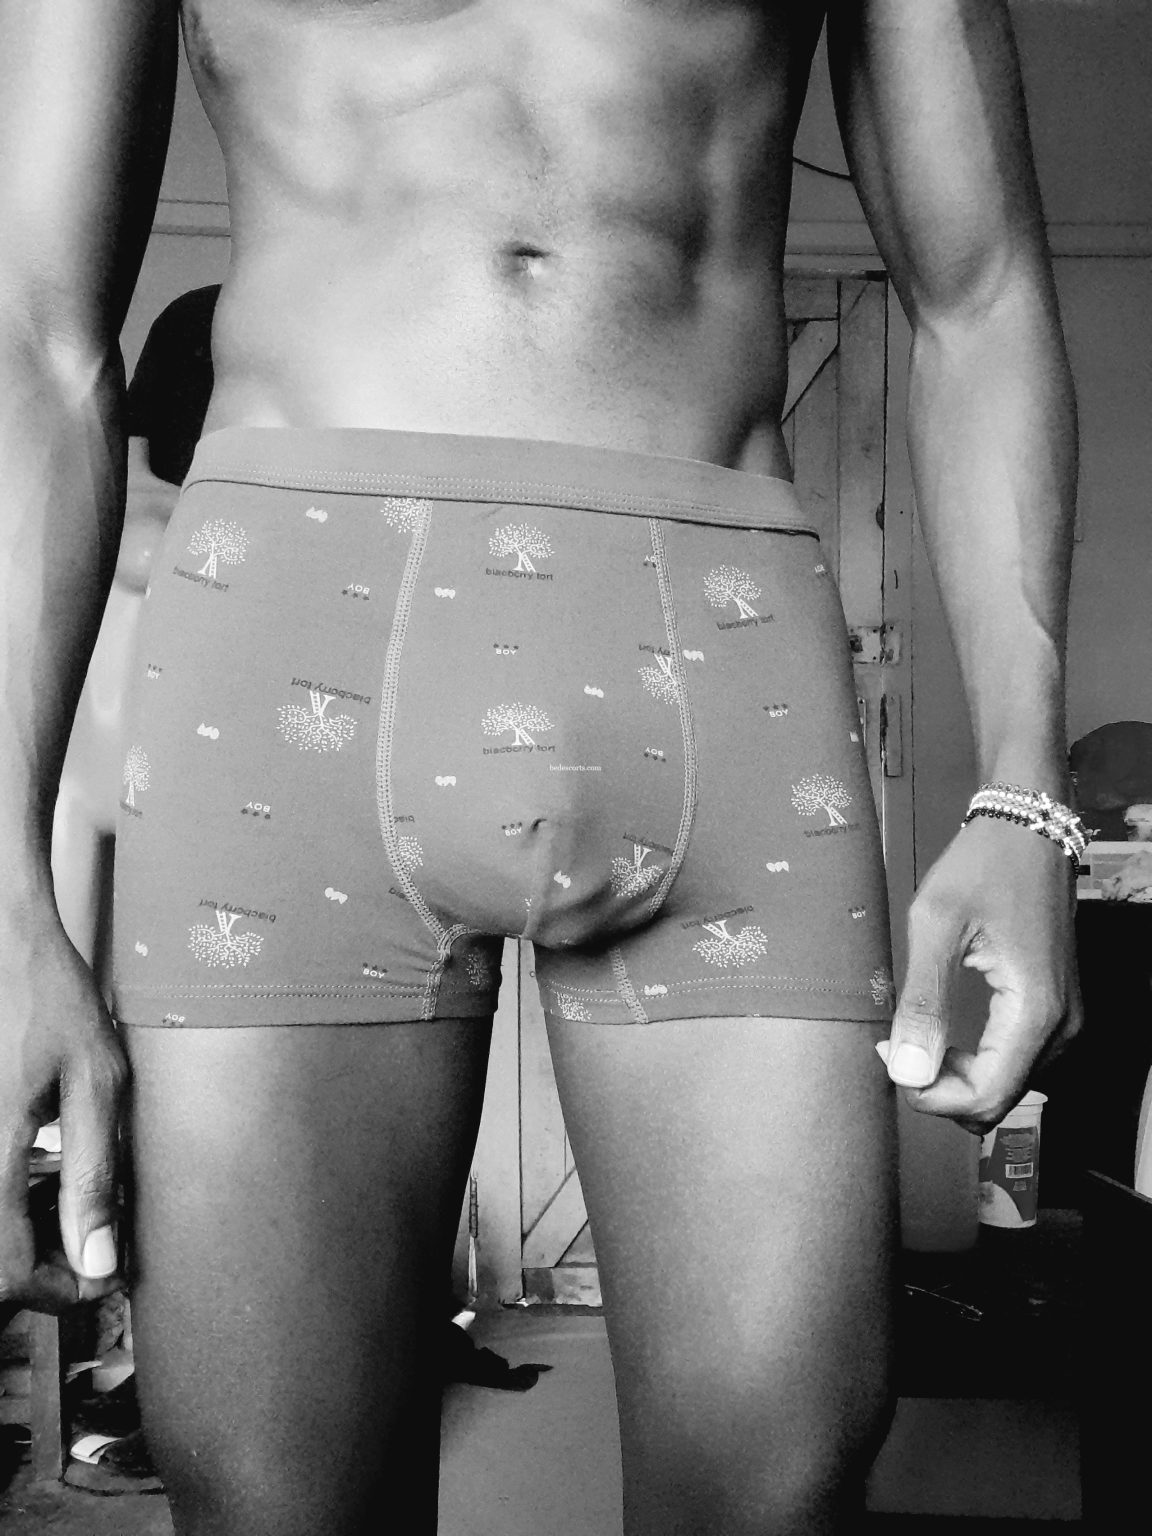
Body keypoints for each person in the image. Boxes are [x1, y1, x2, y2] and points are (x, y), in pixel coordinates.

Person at [0, 3, 1084, 1533]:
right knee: (267, 1502)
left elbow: (981, 291)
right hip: (289, 648)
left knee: (784, 1492)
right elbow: (38, 333)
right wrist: (6, 893)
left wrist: (1027, 792)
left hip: (718, 644)